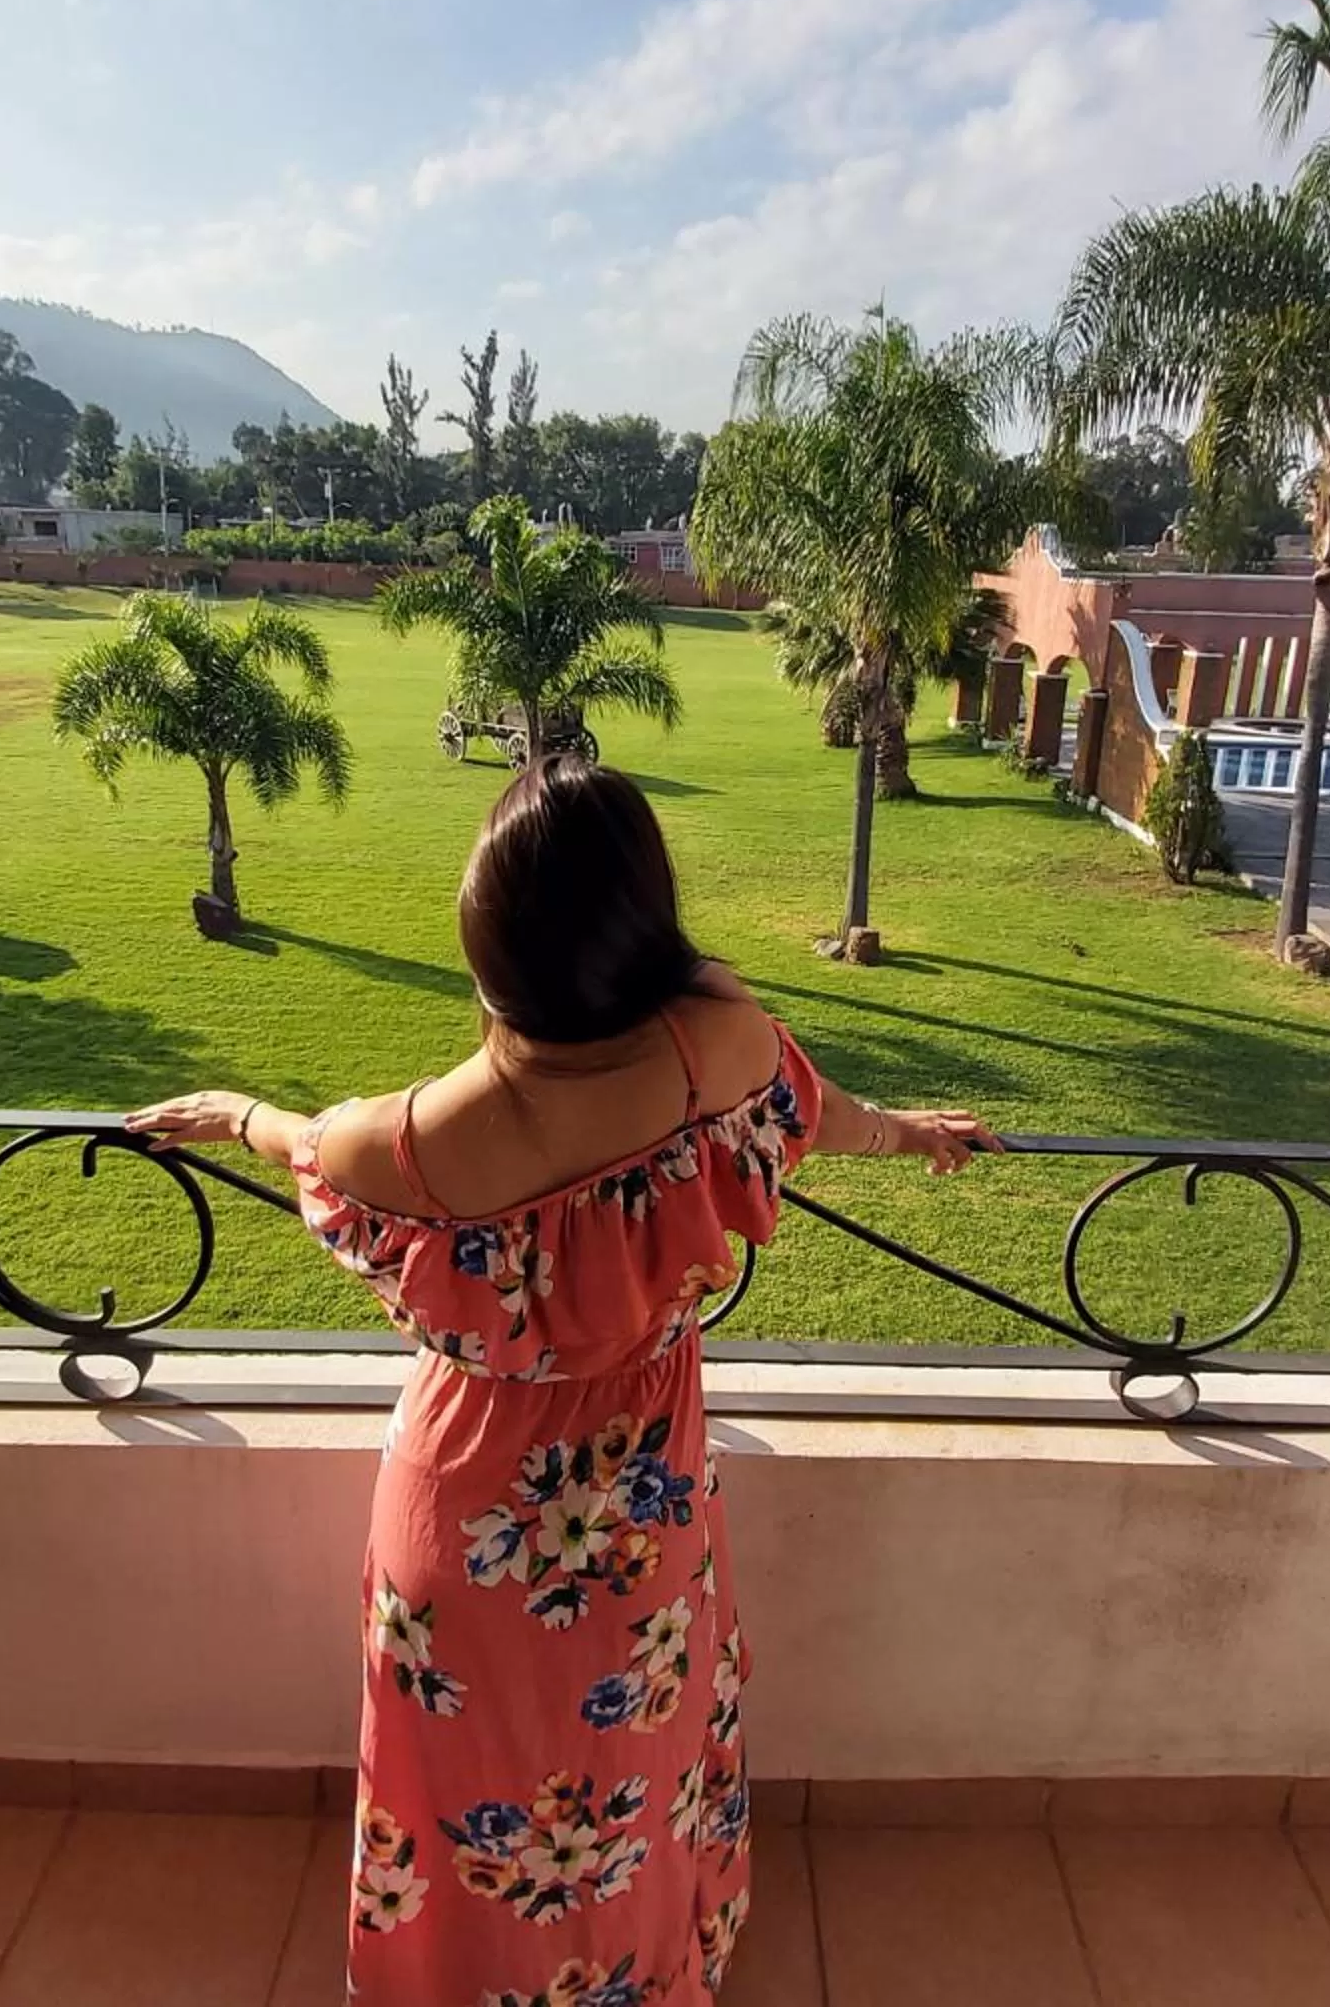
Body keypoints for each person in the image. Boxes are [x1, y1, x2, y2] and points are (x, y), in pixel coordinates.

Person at [128, 759, 995, 2005]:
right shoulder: (722, 1051)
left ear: (490, 960)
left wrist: (236, 1110)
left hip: (458, 1510)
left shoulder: (405, 1139)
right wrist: (915, 1134)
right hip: (640, 1507)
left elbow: (302, 1143)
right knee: (635, 1764)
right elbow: (823, 1113)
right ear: (643, 926)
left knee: (457, 1783)